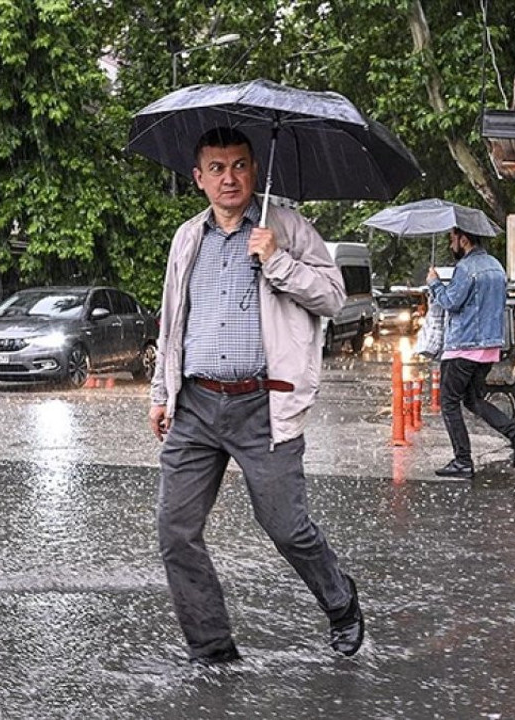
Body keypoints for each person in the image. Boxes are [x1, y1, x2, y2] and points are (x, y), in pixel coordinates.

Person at [148, 126, 363, 665]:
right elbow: (173, 319)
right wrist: (161, 391)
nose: (229, 178)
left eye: (240, 166)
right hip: (195, 404)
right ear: (198, 179)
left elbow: (334, 296)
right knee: (176, 532)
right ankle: (212, 647)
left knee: (286, 528)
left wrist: (277, 261)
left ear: (254, 171)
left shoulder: (285, 226)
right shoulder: (187, 238)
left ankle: (340, 601)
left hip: (263, 405)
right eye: (216, 169)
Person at [426, 228, 515, 478]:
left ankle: (462, 461)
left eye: (452, 239)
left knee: (449, 402)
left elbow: (450, 302)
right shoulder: (496, 266)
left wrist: (434, 283)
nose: (451, 244)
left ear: (464, 239)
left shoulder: (466, 268)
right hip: (488, 349)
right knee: (472, 400)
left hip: (463, 348)